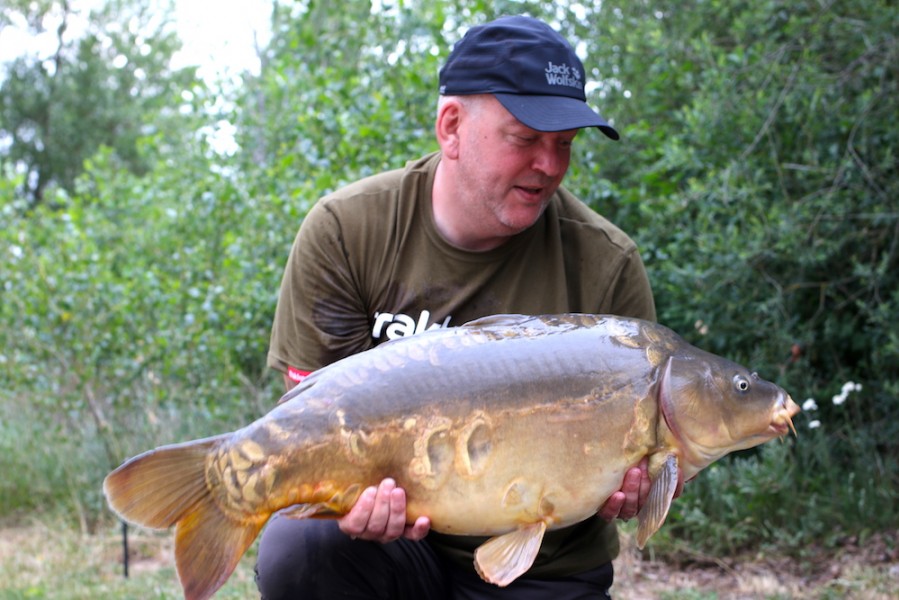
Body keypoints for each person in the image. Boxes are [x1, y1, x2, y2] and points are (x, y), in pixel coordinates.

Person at [256, 14, 679, 599]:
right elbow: (307, 420)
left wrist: (636, 485)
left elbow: (645, 467)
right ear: (451, 127)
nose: (550, 166)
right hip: (394, 549)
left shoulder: (605, 263)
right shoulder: (347, 231)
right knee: (302, 549)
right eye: (526, 138)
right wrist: (338, 497)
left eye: (565, 145)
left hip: (546, 566)